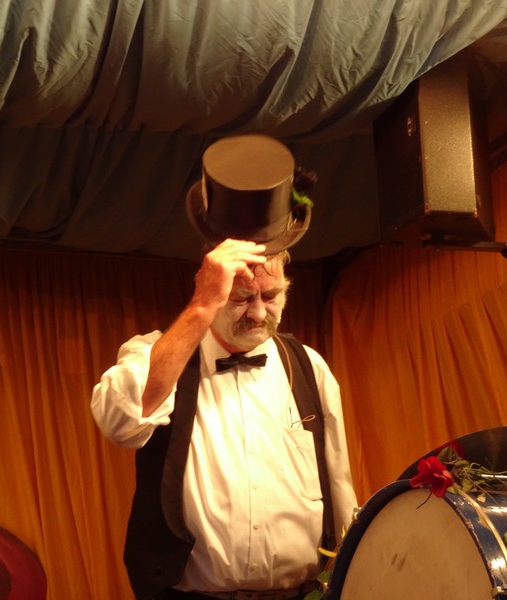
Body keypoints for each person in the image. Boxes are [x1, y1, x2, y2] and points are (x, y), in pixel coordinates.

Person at [91, 134, 357, 600]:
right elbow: (120, 422)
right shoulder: (158, 354)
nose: (257, 312)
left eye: (270, 296)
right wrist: (200, 307)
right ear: (211, 291)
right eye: (239, 298)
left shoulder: (309, 366)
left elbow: (338, 483)